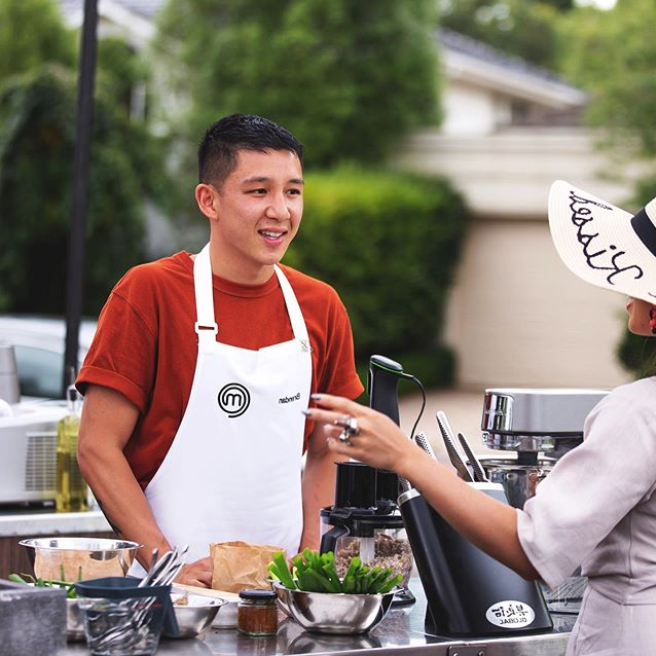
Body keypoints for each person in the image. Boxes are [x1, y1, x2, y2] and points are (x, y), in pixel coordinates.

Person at [306, 180, 656, 655]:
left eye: (630, 280)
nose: (622, 293)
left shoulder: (637, 412)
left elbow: (531, 549)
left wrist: (405, 456)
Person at [77, 114, 363, 586]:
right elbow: (97, 447)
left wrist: (313, 556)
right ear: (208, 200)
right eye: (258, 191)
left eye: (293, 191)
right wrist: (167, 566)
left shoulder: (321, 306)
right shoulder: (149, 293)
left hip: (284, 592)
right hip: (171, 593)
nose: (281, 210)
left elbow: (329, 448)